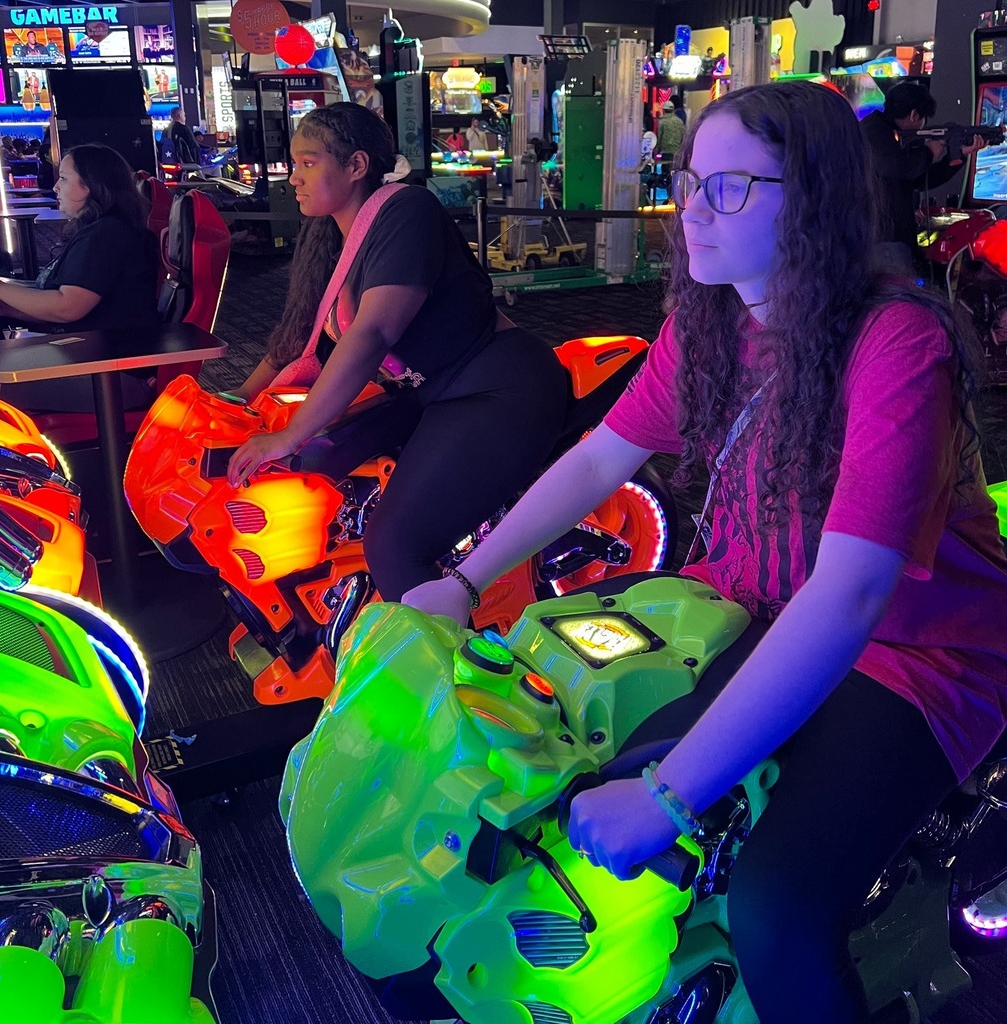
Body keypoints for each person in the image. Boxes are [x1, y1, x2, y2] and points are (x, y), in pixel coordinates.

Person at [402, 80, 1007, 1024]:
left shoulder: (896, 341)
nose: (693, 211)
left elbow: (850, 596)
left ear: (811, 199)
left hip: (915, 654)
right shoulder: (716, 319)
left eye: (731, 186)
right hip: (751, 605)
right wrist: (464, 576)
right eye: (690, 183)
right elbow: (602, 456)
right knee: (575, 768)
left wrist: (672, 798)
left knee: (776, 908)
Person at [224, 102, 566, 602]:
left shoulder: (406, 210)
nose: (293, 177)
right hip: (422, 395)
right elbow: (298, 337)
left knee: (394, 543)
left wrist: (291, 434)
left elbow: (372, 333)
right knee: (317, 472)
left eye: (309, 162)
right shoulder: (330, 237)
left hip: (495, 387)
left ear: (357, 166)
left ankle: (443, 672)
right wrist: (241, 398)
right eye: (294, 163)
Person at [0, 144, 159, 410]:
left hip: (109, 376)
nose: (55, 187)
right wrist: (5, 307)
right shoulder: (103, 229)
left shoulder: (107, 235)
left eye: (64, 178)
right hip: (92, 359)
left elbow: (68, 307)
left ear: (90, 186)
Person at [861, 80, 985, 275]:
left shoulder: (886, 132)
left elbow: (921, 179)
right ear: (914, 115)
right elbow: (903, 168)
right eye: (923, 117)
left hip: (891, 236)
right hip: (883, 238)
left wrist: (959, 155)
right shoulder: (874, 133)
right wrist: (928, 151)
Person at [655, 100, 685, 174]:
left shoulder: (662, 122)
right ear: (673, 110)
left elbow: (659, 138)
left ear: (664, 110)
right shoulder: (680, 122)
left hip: (665, 153)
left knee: (663, 172)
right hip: (676, 153)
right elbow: (683, 137)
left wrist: (656, 151)